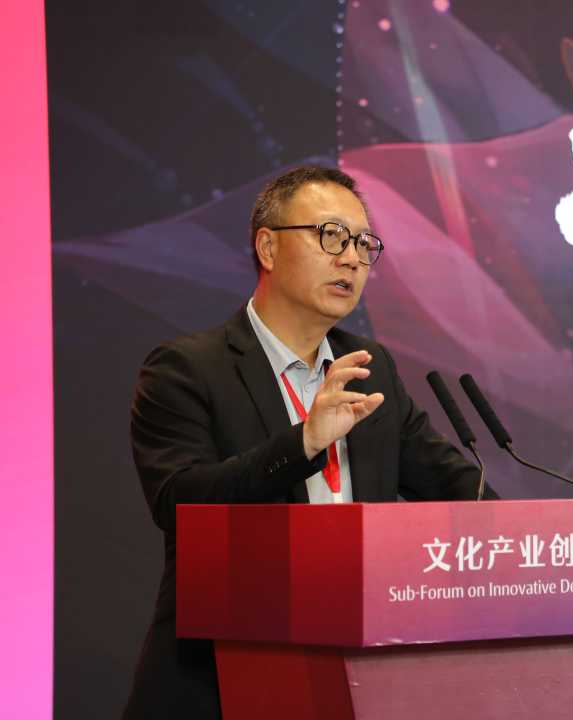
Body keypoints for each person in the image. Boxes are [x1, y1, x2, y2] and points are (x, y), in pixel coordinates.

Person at [122, 165, 494, 719]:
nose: (352, 259)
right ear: (268, 248)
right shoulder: (187, 369)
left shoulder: (368, 368)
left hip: (355, 682)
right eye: (331, 236)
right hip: (225, 681)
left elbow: (454, 486)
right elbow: (180, 503)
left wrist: (541, 545)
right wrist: (303, 444)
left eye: (364, 245)